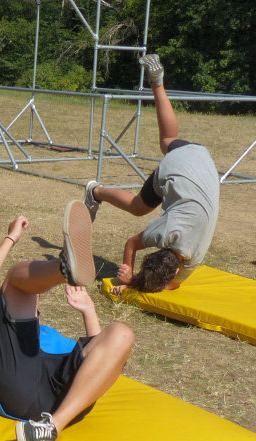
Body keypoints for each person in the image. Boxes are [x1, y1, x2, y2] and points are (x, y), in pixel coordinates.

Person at [0, 200, 135, 441]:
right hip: (16, 388)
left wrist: (89, 311)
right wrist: (11, 238)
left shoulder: (50, 337)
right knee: (15, 275)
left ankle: (51, 428)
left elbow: (99, 359)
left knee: (122, 334)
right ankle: (63, 267)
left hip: (65, 402)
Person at [84, 54, 219, 295]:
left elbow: (155, 267)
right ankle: (95, 192)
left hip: (201, 161)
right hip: (184, 167)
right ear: (176, 270)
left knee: (168, 140)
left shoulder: (192, 254)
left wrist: (128, 278)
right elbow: (132, 245)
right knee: (137, 207)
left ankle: (157, 83)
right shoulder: (164, 234)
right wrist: (128, 276)